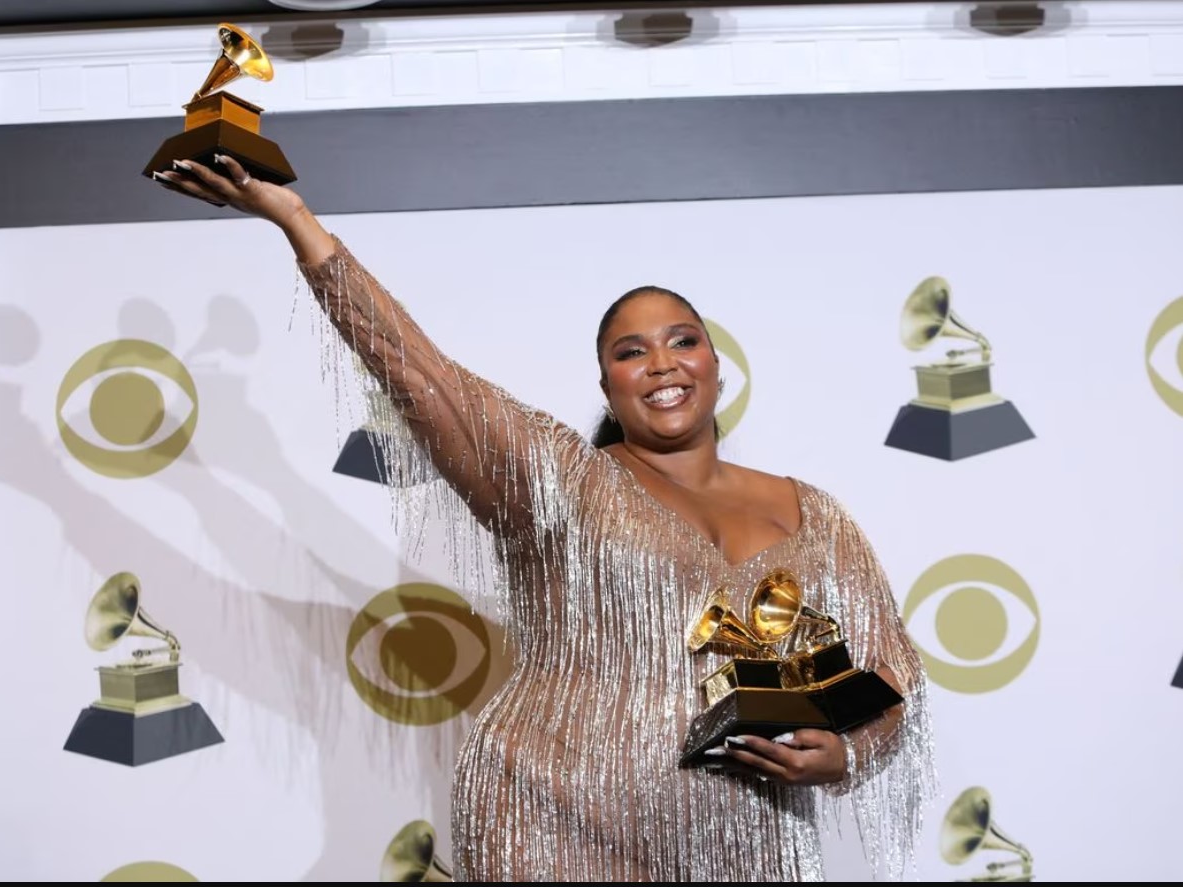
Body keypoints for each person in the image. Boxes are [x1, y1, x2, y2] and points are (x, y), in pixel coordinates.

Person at [157, 157, 936, 882]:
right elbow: (425, 373)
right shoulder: (558, 478)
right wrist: (298, 221)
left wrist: (845, 754)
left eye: (681, 341)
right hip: (547, 817)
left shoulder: (813, 513)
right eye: (632, 351)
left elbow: (886, 667)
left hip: (743, 832)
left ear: (714, 365)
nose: (661, 362)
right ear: (607, 384)